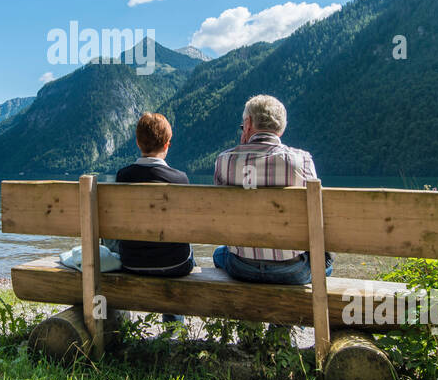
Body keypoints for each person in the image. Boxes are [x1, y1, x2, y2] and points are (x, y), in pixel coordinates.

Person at [212, 94, 334, 284]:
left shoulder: (225, 161)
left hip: (241, 266)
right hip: (293, 270)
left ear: (248, 123)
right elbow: (319, 215)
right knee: (326, 263)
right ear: (281, 127)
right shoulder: (302, 161)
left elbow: (220, 212)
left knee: (219, 253)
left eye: (243, 126)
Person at [111, 112, 196, 277]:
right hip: (175, 263)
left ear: (137, 143)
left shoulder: (123, 176)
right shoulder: (180, 179)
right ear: (166, 145)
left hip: (131, 262)